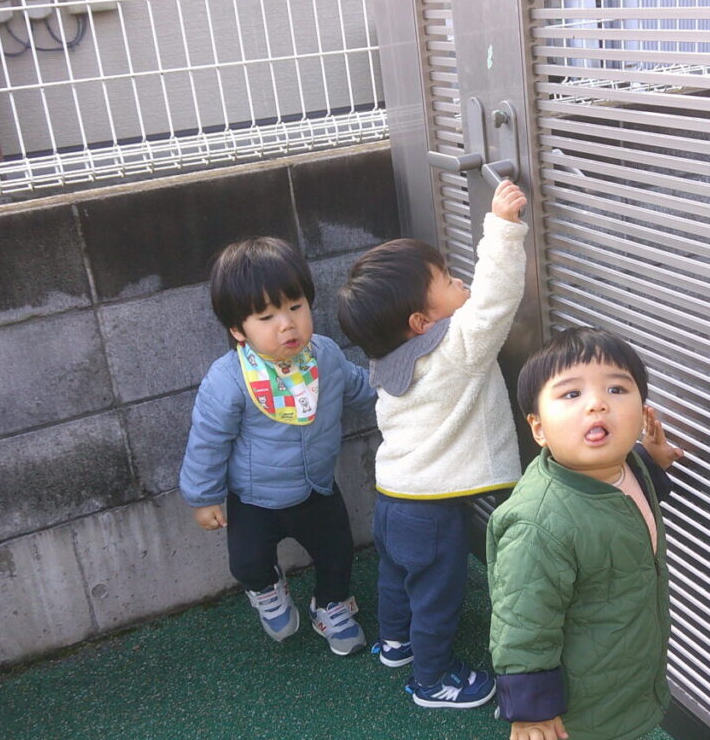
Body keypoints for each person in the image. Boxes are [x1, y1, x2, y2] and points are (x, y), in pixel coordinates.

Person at [336, 179, 529, 709]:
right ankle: (433, 680)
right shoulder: (454, 350)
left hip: (393, 500)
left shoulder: (388, 361)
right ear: (423, 322)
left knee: (398, 580)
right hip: (431, 512)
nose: (460, 279)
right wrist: (503, 228)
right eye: (446, 279)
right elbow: (493, 302)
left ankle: (396, 643)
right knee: (437, 596)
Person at [179, 236, 375, 656]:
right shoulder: (229, 379)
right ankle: (267, 590)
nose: (287, 324)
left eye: (296, 307)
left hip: (317, 488)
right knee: (247, 562)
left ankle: (331, 606)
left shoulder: (324, 356)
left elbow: (361, 388)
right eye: (266, 316)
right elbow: (207, 441)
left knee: (338, 553)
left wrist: (401, 393)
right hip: (254, 498)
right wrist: (203, 497)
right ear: (238, 330)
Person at [487, 327, 685, 740]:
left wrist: (654, 460)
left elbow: (623, 506)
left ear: (642, 409)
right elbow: (523, 625)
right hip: (579, 706)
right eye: (572, 394)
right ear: (539, 429)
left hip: (622, 674)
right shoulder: (538, 524)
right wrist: (532, 712)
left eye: (616, 389)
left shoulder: (626, 464)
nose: (597, 403)